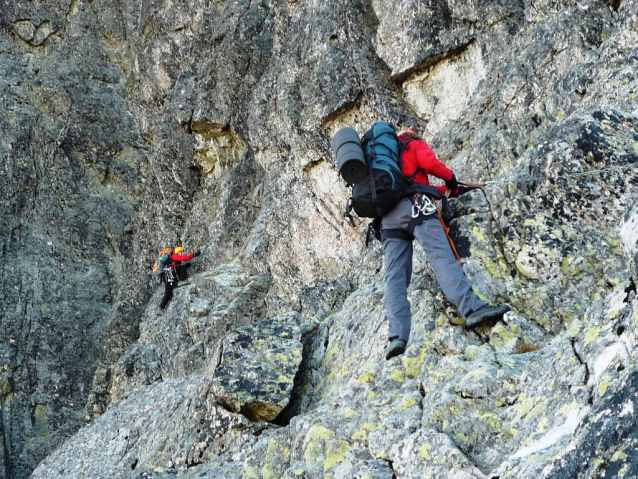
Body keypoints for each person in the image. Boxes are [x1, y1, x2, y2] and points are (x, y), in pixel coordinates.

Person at [383, 129, 510, 360]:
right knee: (441, 255)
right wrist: (450, 178)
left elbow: (427, 188)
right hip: (416, 206)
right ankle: (472, 309)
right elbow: (431, 164)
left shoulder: (384, 162)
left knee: (395, 277)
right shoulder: (413, 145)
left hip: (387, 218)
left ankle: (397, 336)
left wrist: (453, 190)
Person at [158, 246, 201, 312]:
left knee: (168, 293)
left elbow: (177, 266)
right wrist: (194, 254)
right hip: (169, 274)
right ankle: (182, 280)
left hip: (167, 276)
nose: (184, 253)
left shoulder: (173, 259)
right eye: (183, 252)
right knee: (182, 267)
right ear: (179, 252)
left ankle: (160, 309)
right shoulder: (174, 256)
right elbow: (184, 258)